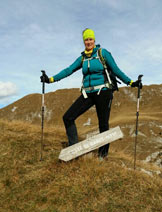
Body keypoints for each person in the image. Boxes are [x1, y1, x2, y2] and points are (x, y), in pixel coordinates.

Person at [40, 28, 142, 160]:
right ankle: (73, 150)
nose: (88, 42)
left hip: (103, 91)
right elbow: (68, 70)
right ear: (84, 41)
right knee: (68, 117)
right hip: (88, 93)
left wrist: (131, 82)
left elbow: (116, 70)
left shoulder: (102, 53)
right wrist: (50, 79)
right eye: (86, 40)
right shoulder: (82, 58)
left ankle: (102, 156)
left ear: (94, 40)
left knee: (103, 123)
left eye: (90, 39)